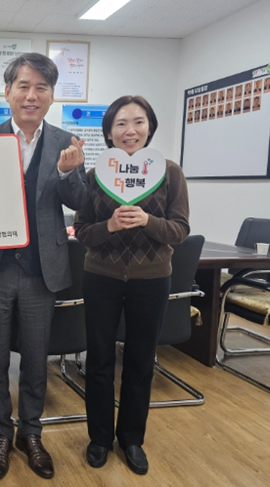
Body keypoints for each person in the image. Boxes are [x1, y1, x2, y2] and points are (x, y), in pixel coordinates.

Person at [0, 53, 88, 480]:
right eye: (23, 86)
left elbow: (80, 201)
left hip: (41, 270)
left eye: (41, 88)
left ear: (52, 95)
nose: (31, 95)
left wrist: (69, 174)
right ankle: (0, 433)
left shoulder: (67, 141)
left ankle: (31, 433)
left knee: (36, 360)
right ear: (7, 92)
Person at [74, 95, 189, 476]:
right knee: (99, 360)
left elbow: (180, 230)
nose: (130, 130)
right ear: (108, 132)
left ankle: (132, 439)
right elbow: (83, 231)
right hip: (101, 277)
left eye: (138, 121)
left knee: (140, 362)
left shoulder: (169, 172)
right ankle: (99, 437)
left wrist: (147, 221)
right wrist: (109, 225)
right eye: (121, 123)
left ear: (150, 127)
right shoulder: (96, 175)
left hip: (151, 279)